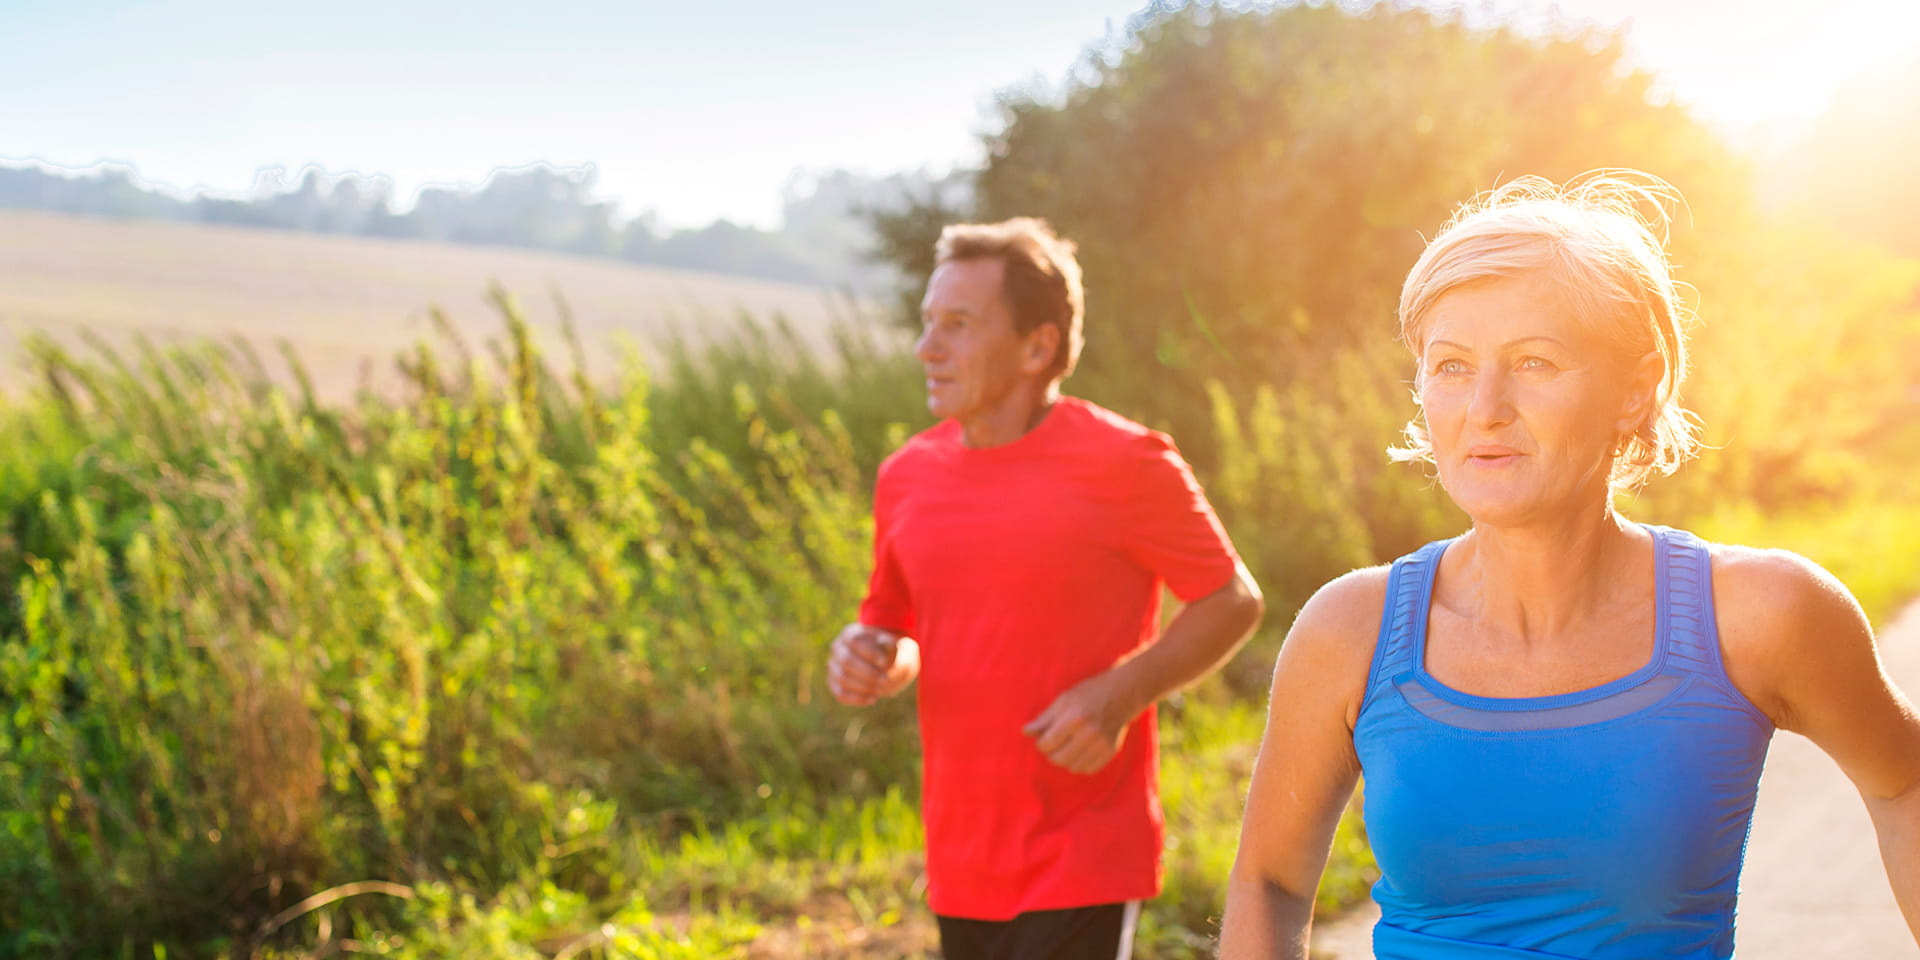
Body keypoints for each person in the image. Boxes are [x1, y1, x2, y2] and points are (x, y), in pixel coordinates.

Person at [1220, 172, 1920, 959]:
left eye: (1534, 362)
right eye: (1450, 365)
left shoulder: (1759, 615)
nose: (1484, 407)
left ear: (1636, 387)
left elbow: (1905, 783)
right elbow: (1269, 883)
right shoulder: (1350, 631)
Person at [827, 217, 1265, 960]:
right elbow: (894, 624)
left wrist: (1119, 694)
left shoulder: (1128, 464)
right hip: (961, 852)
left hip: (1083, 843)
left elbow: (1232, 599)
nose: (926, 348)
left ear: (1038, 346)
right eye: (928, 324)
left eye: (958, 326)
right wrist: (871, 656)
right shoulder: (906, 476)